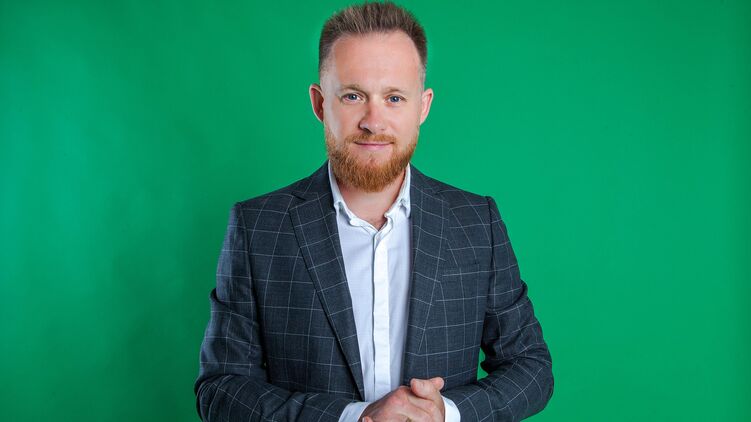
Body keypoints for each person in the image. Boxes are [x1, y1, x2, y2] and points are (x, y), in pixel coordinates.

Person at [194, 2, 553, 421]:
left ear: (423, 107)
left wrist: (445, 413)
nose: (373, 121)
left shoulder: (477, 223)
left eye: (394, 98)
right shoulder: (258, 228)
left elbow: (531, 368)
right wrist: (353, 418)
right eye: (353, 96)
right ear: (320, 103)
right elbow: (221, 389)